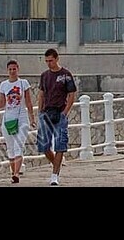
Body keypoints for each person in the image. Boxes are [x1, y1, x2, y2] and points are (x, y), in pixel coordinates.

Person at [0, 60, 35, 183]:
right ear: (7, 71)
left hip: (22, 118)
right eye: (10, 69)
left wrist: (32, 118)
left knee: (19, 145)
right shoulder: (4, 85)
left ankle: (17, 173)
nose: (12, 71)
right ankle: (13, 173)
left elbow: (28, 102)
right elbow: (2, 103)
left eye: (14, 69)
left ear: (18, 69)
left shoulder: (24, 83)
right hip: (8, 118)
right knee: (11, 148)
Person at [38, 48, 77, 186]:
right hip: (46, 113)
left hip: (60, 111)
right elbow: (41, 93)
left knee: (60, 144)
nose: (49, 63)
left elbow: (72, 94)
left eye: (51, 60)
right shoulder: (44, 76)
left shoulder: (65, 75)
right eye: (47, 61)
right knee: (44, 145)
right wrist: (40, 110)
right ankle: (56, 162)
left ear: (57, 59)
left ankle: (55, 175)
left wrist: (65, 112)